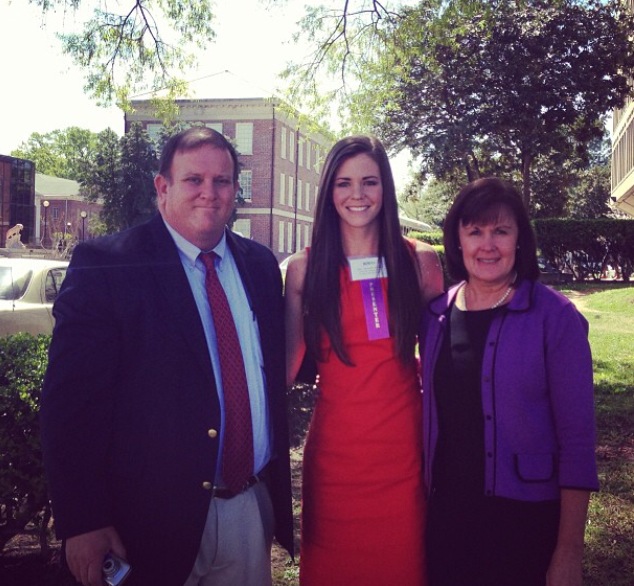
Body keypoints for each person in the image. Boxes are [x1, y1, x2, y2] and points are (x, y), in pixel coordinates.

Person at [40, 127, 294, 586]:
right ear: (163, 187)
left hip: (248, 508)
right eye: (193, 179)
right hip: (146, 522)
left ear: (235, 190)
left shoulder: (259, 266)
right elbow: (70, 405)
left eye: (222, 181)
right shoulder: (108, 266)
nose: (209, 193)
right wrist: (82, 519)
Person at [420, 177, 599, 586]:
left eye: (501, 231)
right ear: (458, 241)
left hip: (524, 526)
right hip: (446, 521)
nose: (488, 245)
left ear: (519, 239)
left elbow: (577, 440)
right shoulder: (433, 318)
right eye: (475, 231)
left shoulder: (555, 319)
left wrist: (569, 549)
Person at [285, 135, 444, 585]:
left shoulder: (420, 261)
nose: (357, 195)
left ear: (386, 188)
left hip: (402, 454)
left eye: (369, 182)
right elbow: (283, 366)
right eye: (344, 183)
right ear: (328, 192)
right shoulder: (303, 268)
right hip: (334, 459)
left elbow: (443, 364)